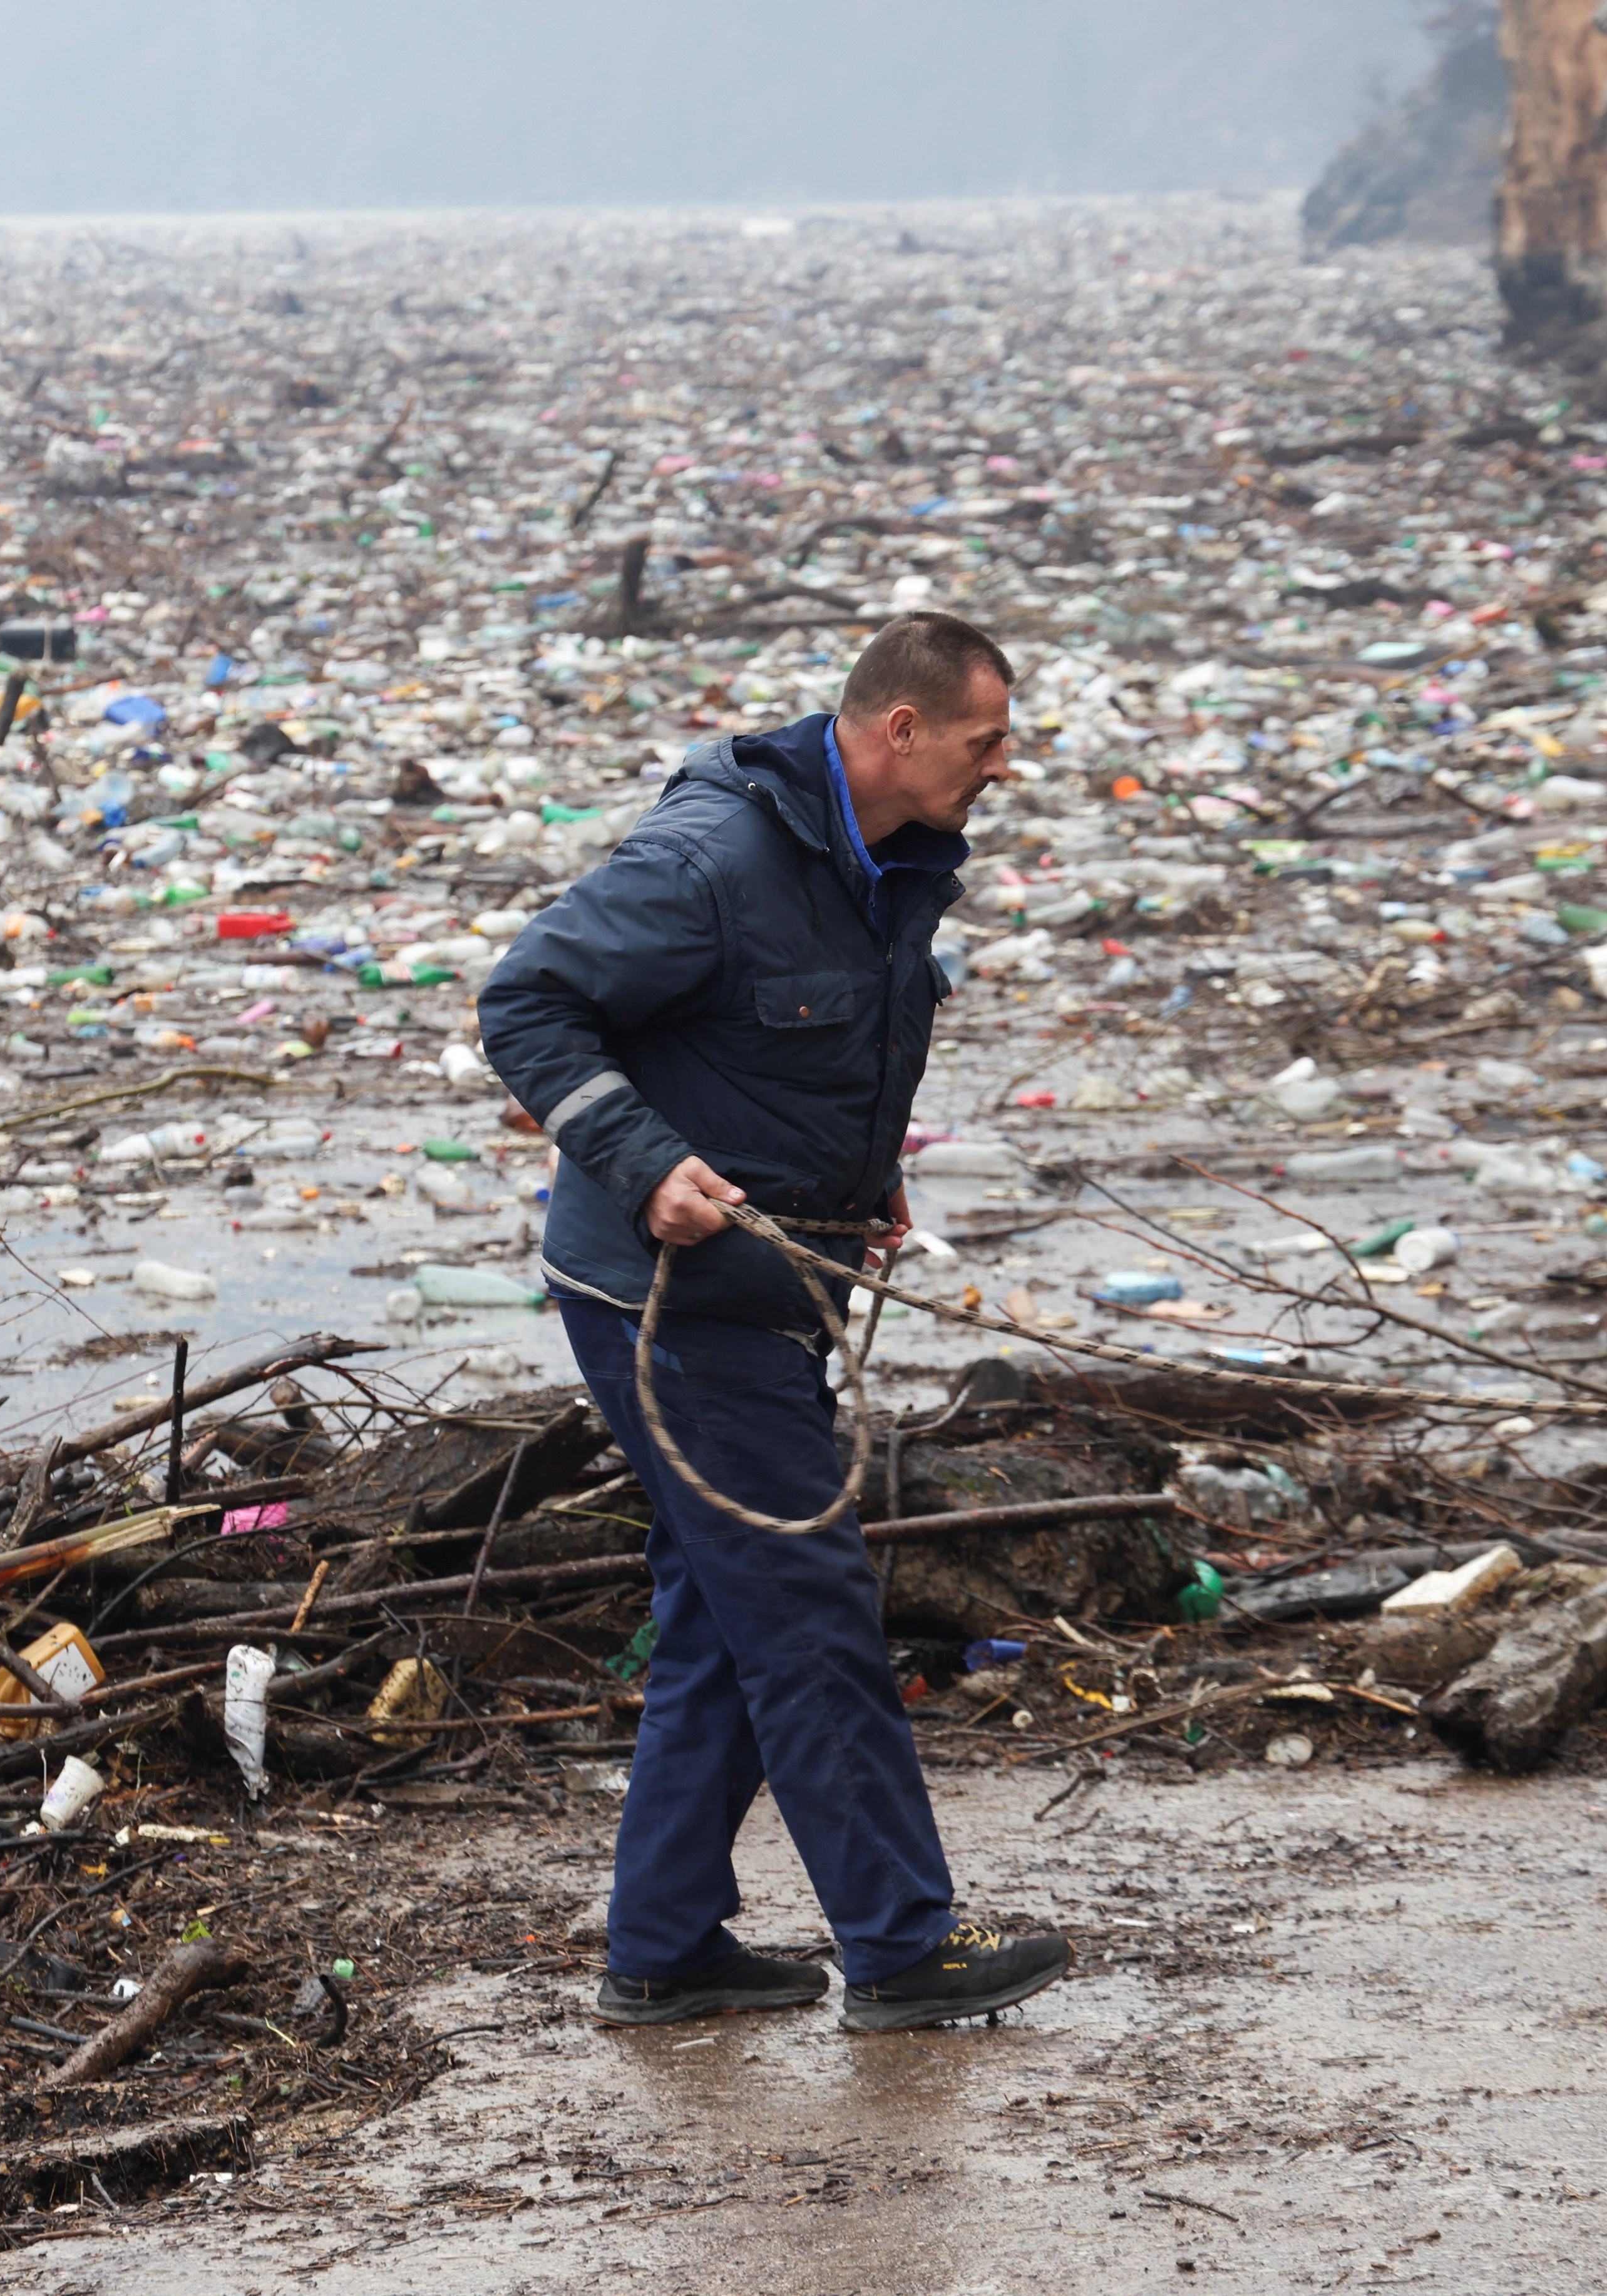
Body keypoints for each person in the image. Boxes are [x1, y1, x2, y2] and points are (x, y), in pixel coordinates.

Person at [478, 610, 1074, 2033]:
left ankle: (664, 1945)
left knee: (718, 1615)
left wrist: (844, 1201)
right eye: (987, 740)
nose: (1006, 765)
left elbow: (807, 1053)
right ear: (900, 732)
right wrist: (645, 1163)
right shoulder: (712, 862)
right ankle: (901, 1946)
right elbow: (525, 1002)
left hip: (775, 1286)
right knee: (806, 1611)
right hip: (668, 1303)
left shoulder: (886, 867)